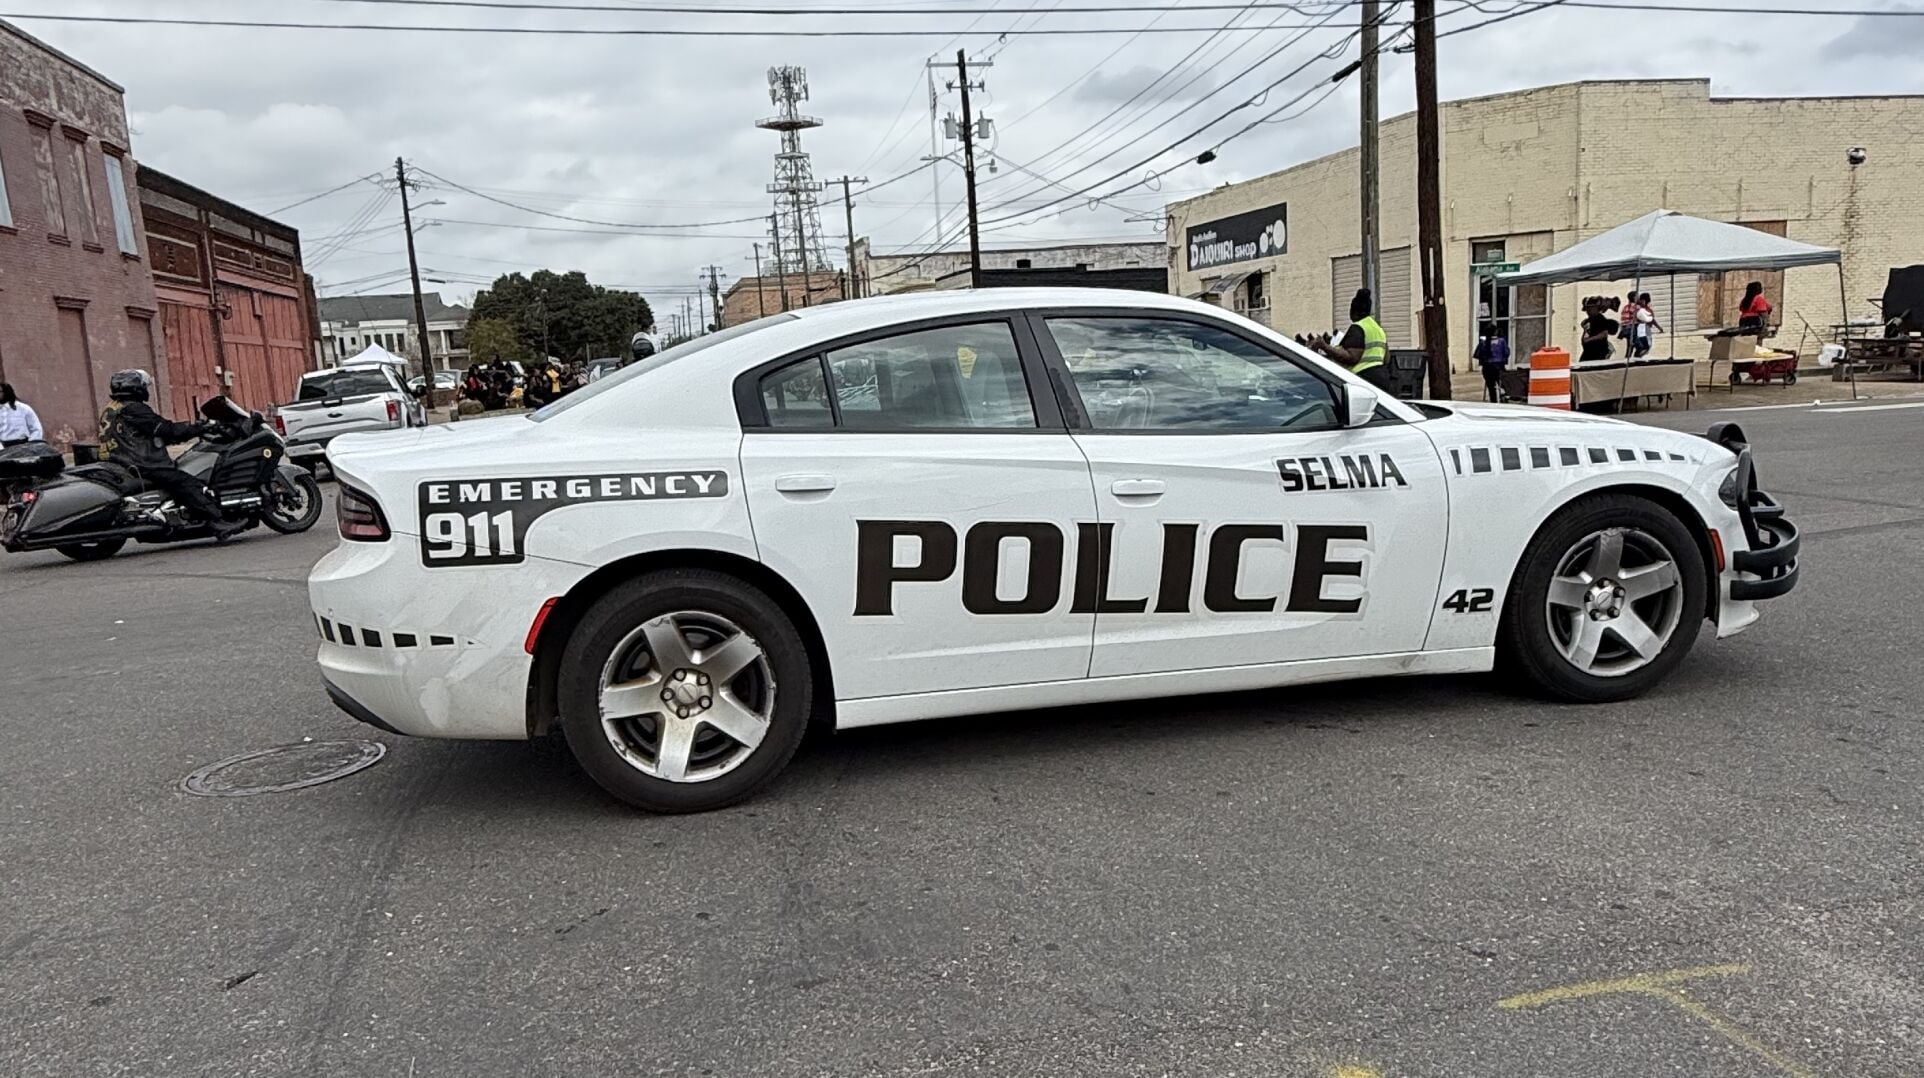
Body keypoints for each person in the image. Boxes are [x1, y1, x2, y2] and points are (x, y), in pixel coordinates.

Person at [97, 370, 239, 533]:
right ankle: (215, 520)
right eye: (144, 386)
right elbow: (165, 429)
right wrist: (199, 428)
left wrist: (182, 433)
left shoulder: (113, 407)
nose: (145, 389)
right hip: (142, 464)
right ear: (136, 387)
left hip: (121, 460)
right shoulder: (134, 409)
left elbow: (145, 434)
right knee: (186, 482)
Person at [1311, 288, 1392, 391]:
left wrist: (1325, 347)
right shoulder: (1378, 329)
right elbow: (1386, 358)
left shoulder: (1358, 328)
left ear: (1354, 311)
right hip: (1383, 379)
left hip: (1364, 379)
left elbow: (1352, 357)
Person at [1473, 322, 1511, 402]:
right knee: (1503, 384)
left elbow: (1477, 354)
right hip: (1499, 367)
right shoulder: (1501, 341)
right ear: (1495, 331)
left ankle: (1493, 401)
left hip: (1487, 368)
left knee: (1491, 387)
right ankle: (1504, 397)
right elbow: (1506, 353)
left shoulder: (1483, 342)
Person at [1631, 291, 1661, 358]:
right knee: (1647, 347)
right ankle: (1637, 357)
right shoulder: (1642, 310)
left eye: (1643, 300)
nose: (1642, 301)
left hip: (1644, 329)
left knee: (1643, 347)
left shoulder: (1644, 310)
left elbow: (1652, 320)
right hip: (1644, 330)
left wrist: (1659, 328)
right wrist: (1659, 328)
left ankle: (1637, 357)